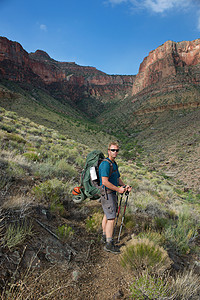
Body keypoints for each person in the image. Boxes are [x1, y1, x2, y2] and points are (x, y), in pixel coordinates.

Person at [99, 141, 132, 254]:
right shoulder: (105, 164)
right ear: (108, 151)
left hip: (111, 193)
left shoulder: (114, 164)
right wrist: (118, 189)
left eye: (117, 150)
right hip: (107, 193)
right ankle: (109, 243)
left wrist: (124, 186)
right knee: (111, 218)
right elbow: (104, 181)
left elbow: (117, 178)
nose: (115, 152)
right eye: (113, 150)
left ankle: (104, 236)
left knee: (107, 215)